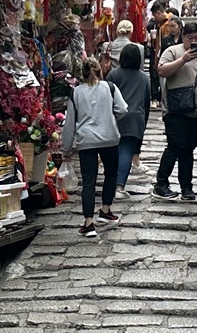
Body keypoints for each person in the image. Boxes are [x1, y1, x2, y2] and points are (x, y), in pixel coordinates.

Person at [65, 57, 129, 238]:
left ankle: (88, 223)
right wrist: (111, 119)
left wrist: (66, 149)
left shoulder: (76, 92)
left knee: (89, 182)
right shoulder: (110, 87)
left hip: (86, 140)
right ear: (100, 71)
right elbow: (123, 109)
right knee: (111, 174)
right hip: (109, 138)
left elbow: (70, 123)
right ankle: (106, 210)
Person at [155, 22, 197, 201]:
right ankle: (161, 183)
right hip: (175, 110)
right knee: (175, 146)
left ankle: (186, 187)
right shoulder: (173, 51)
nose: (194, 41)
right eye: (190, 38)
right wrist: (183, 60)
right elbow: (161, 70)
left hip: (196, 112)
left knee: (188, 149)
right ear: (183, 37)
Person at [108, 42, 153, 193]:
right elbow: (146, 103)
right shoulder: (144, 78)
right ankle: (119, 186)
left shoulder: (113, 74)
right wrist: (143, 123)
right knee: (126, 151)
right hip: (135, 119)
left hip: (115, 118)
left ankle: (112, 182)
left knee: (114, 152)